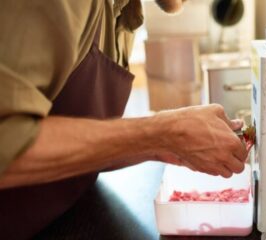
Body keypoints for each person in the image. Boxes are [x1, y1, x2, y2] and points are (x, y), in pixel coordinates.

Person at [0, 0, 248, 238]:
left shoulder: (123, 11)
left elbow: (78, 135)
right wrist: (162, 132)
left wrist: (161, 144)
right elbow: (7, 139)